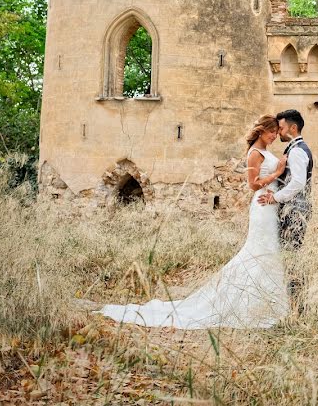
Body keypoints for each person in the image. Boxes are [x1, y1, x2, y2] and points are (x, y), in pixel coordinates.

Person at [97, 115, 290, 329]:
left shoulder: (265, 151)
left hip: (270, 204)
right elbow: (253, 185)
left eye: (275, 131)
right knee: (260, 250)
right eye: (272, 131)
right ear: (262, 130)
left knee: (268, 250)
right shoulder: (254, 153)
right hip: (262, 205)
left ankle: (268, 299)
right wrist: (278, 172)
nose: (274, 135)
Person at [258, 109, 313, 307]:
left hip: (295, 212)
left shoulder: (298, 150)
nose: (278, 132)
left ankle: (298, 306)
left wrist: (275, 198)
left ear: (293, 127)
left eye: (281, 128)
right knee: (290, 256)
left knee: (292, 257)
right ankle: (293, 303)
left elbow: (297, 182)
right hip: (293, 211)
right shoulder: (294, 149)